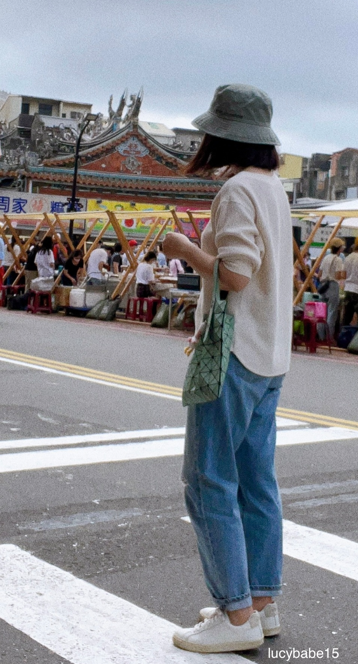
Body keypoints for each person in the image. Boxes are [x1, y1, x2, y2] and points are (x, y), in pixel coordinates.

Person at [163, 84, 292, 654]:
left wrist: (184, 249)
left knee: (208, 482)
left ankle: (235, 614)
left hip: (233, 353)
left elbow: (236, 274)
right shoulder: (273, 187)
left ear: (221, 136)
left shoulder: (236, 189)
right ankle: (260, 603)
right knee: (256, 482)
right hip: (270, 355)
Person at [318, 238, 346, 338]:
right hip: (333, 286)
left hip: (323, 286)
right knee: (332, 312)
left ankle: (321, 336)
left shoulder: (326, 258)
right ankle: (328, 337)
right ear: (340, 248)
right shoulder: (338, 260)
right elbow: (338, 276)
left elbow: (319, 274)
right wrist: (344, 275)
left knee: (321, 312)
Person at [343, 238, 358, 326]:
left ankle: (345, 331)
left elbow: (344, 275)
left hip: (348, 288)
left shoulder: (348, 257)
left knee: (347, 315)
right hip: (357, 289)